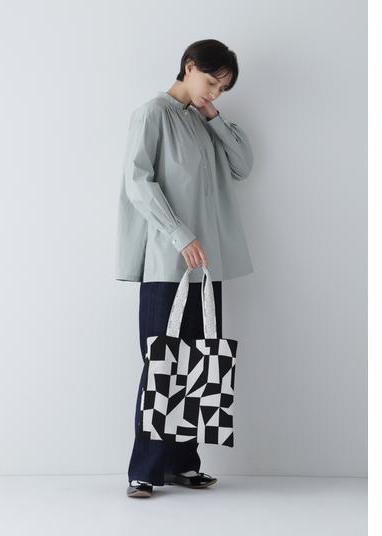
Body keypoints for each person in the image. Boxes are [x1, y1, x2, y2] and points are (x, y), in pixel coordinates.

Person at [115, 39, 255, 498]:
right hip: (167, 262)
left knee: (198, 362)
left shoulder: (203, 120)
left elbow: (243, 165)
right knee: (162, 362)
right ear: (188, 67)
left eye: (223, 88)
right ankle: (145, 469)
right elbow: (138, 183)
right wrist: (180, 233)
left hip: (206, 267)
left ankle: (183, 463)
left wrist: (212, 115)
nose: (214, 92)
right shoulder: (151, 114)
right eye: (211, 82)